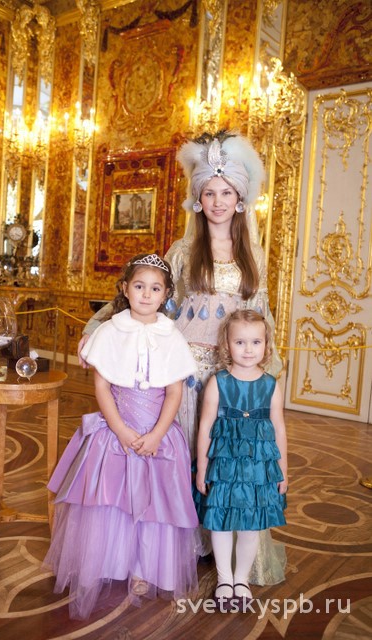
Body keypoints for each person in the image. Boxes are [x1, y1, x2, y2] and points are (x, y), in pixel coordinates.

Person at [78, 129, 286, 585]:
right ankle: (185, 543)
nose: (217, 201)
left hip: (231, 376)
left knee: (225, 460)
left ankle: (226, 542)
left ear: (240, 199)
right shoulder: (182, 251)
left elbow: (261, 318)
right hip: (185, 374)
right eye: (209, 192)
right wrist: (97, 329)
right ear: (198, 199)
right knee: (186, 457)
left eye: (226, 192)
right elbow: (148, 302)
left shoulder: (253, 256)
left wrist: (263, 372)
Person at [44, 253, 200, 620]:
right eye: (139, 286)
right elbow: (102, 387)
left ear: (166, 294)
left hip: (158, 436)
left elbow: (174, 393)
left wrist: (157, 434)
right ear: (125, 289)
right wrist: (120, 429)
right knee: (110, 500)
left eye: (155, 289)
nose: (146, 294)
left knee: (154, 503)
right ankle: (109, 561)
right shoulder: (109, 331)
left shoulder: (172, 335)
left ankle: (145, 568)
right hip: (117, 431)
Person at [194, 309, 288, 607]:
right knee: (220, 523)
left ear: (266, 345)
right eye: (240, 342)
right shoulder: (218, 382)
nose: (248, 350)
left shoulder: (271, 385)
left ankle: (241, 579)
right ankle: (224, 579)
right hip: (223, 467)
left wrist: (283, 471)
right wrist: (202, 469)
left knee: (250, 526)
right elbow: (205, 428)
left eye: (256, 342)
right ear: (227, 344)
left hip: (258, 471)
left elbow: (279, 429)